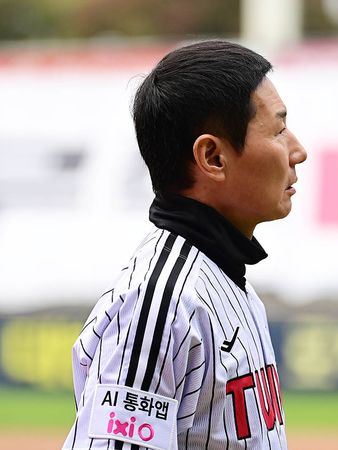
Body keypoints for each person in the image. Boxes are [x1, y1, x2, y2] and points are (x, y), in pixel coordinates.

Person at [62, 40, 307, 450]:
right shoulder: (161, 301)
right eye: (279, 130)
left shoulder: (226, 280)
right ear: (212, 157)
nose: (298, 151)